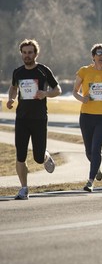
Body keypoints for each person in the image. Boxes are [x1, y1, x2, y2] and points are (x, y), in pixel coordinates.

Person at [7, 39, 61, 200]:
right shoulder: (17, 72)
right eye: (24, 53)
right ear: (21, 54)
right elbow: (13, 87)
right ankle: (24, 188)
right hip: (22, 119)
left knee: (37, 158)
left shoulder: (43, 71)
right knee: (20, 155)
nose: (27, 55)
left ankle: (44, 156)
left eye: (30, 52)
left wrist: (45, 94)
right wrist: (11, 99)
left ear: (35, 54)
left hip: (39, 118)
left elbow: (57, 89)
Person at [73, 43, 102, 192]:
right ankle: (96, 167)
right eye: (99, 53)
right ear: (93, 56)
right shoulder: (84, 71)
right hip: (86, 115)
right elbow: (75, 92)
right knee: (89, 151)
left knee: (96, 148)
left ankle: (90, 181)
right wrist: (81, 98)